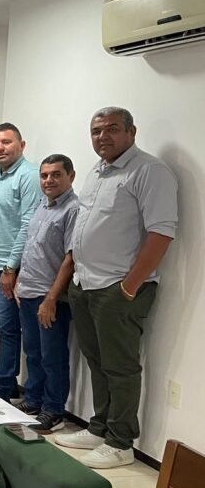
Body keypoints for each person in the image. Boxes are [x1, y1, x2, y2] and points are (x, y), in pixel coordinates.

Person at [56, 107, 178, 469]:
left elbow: (161, 232)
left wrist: (129, 286)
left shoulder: (149, 171)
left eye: (111, 129)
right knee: (97, 362)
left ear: (131, 132)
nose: (102, 136)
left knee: (120, 367)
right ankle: (99, 427)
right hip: (85, 284)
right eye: (96, 131)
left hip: (117, 289)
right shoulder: (97, 171)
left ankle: (121, 442)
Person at [0, 123, 39, 401]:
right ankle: (6, 383)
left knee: (13, 328)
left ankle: (7, 386)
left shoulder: (29, 175)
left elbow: (28, 224)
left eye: (6, 142)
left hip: (12, 267)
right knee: (5, 327)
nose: (0, 148)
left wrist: (11, 267)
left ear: (21, 145)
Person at [15, 154, 78, 432]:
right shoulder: (42, 205)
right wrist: (20, 281)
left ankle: (53, 411)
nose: (49, 180)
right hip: (29, 291)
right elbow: (33, 248)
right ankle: (33, 400)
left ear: (71, 176)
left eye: (56, 174)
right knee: (33, 352)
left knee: (53, 357)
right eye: (44, 175)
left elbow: (70, 258)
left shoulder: (73, 209)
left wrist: (51, 298)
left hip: (49, 297)